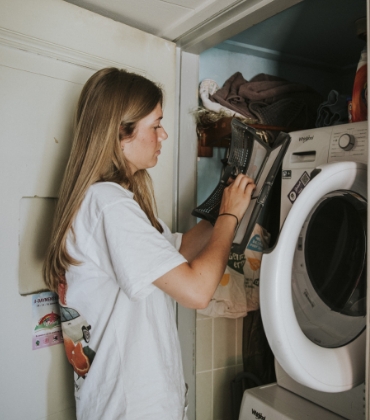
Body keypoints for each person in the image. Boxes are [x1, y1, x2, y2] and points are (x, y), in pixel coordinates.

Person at [43, 67, 255, 420]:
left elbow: (178, 250)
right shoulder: (109, 204)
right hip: (133, 409)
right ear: (121, 135)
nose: (164, 134)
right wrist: (229, 219)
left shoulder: (104, 200)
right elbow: (197, 290)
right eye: (155, 124)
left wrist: (223, 205)